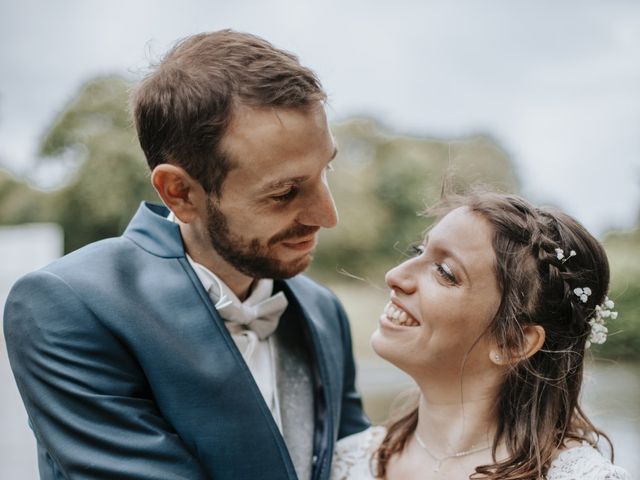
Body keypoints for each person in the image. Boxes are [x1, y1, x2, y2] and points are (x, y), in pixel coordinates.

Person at [4, 30, 369, 480]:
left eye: (324, 171)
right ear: (180, 193)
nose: (327, 216)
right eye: (285, 191)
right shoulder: (70, 306)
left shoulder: (323, 311)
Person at [331, 190, 630, 479]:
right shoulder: (347, 462)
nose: (394, 276)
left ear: (513, 342)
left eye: (445, 272)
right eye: (418, 251)